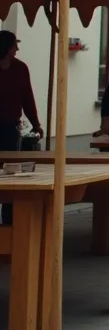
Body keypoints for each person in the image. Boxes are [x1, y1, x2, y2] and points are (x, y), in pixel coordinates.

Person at [0, 30, 40, 225]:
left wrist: (36, 123)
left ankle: (8, 220)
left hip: (10, 128)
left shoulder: (20, 68)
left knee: (10, 172)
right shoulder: (18, 68)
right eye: (15, 44)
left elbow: (27, 98)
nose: (17, 48)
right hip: (7, 126)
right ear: (7, 48)